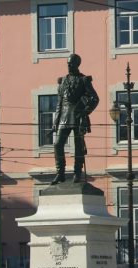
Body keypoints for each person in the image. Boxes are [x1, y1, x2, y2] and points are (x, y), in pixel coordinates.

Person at [51, 54, 99, 185]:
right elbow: (59, 103)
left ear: (77, 64)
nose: (68, 65)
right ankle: (60, 173)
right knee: (58, 144)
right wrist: (55, 122)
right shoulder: (63, 81)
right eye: (67, 63)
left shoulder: (84, 80)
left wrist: (86, 111)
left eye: (71, 63)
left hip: (78, 116)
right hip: (64, 117)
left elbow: (95, 98)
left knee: (78, 146)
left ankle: (77, 172)